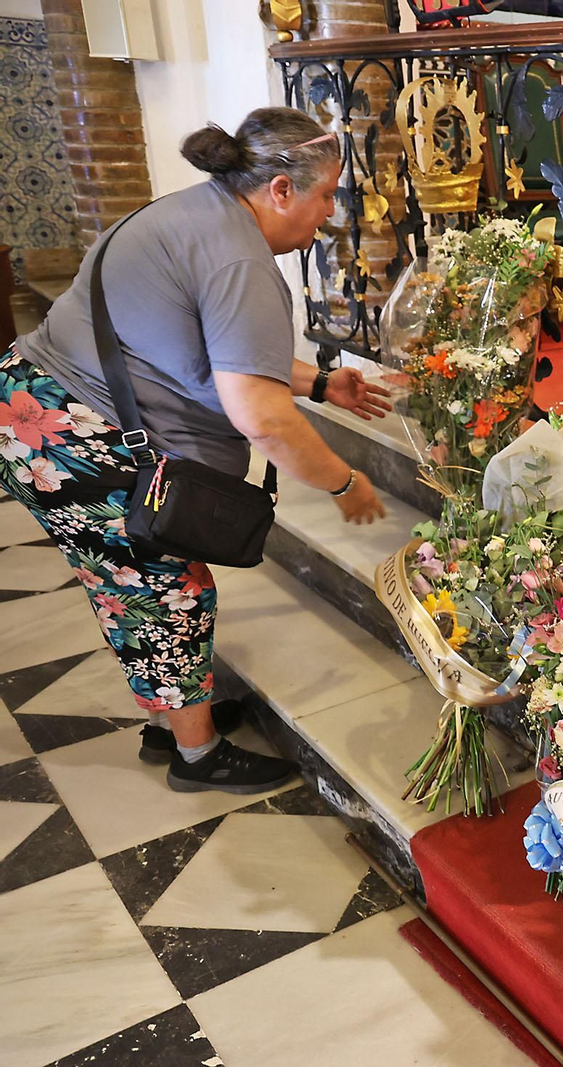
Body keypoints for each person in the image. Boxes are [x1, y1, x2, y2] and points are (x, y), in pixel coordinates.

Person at [1, 107, 391, 794]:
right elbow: (262, 416)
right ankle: (196, 754)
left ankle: (176, 717)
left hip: (38, 413)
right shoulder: (238, 257)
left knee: (134, 585)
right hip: (72, 436)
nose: (328, 213)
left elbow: (208, 349)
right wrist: (343, 482)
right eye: (326, 194)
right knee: (164, 590)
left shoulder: (196, 214)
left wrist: (322, 382)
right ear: (279, 189)